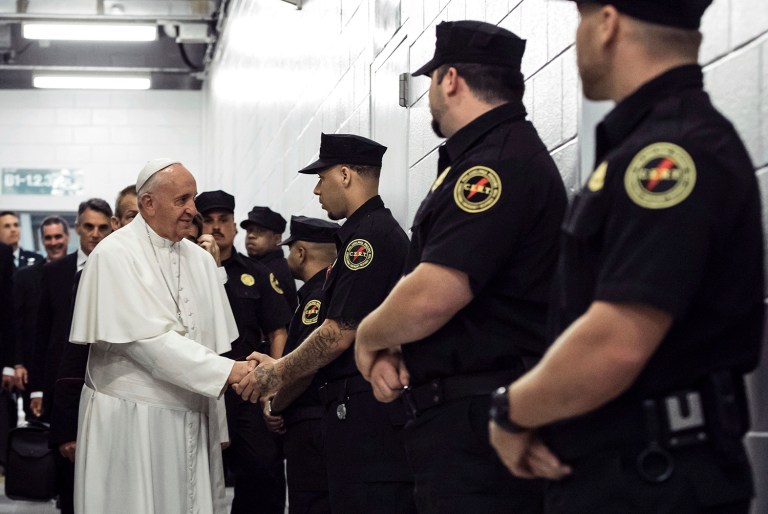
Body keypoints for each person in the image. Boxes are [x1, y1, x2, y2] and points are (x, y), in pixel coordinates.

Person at [488, 2, 764, 513]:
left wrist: (510, 413)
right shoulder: (650, 145)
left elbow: (617, 343)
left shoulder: (669, 153)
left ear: (608, 24)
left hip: (654, 479)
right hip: (629, 472)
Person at [354, 20, 567, 513]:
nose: (430, 94)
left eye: (431, 81)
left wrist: (370, 337)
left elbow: (434, 294)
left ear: (450, 80)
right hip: (467, 416)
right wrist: (404, 350)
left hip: (482, 424)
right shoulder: (485, 158)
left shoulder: (492, 165)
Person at [234, 133, 416, 513]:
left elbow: (337, 334)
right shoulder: (363, 235)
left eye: (322, 177)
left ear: (346, 175)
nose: (317, 190)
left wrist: (277, 373)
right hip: (357, 423)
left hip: (369, 423)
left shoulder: (368, 239)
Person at [69, 159, 252, 514]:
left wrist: (220, 425)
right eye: (182, 199)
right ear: (148, 203)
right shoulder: (113, 255)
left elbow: (212, 342)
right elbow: (146, 344)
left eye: (193, 199)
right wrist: (231, 372)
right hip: (131, 422)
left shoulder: (199, 260)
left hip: (191, 417)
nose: (192, 210)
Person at [196, 190, 292, 514]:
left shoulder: (257, 273)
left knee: (262, 468)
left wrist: (273, 381)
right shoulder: (183, 272)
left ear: (235, 226)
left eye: (224, 220)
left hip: (246, 388)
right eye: (208, 220)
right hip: (199, 385)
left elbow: (279, 328)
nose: (217, 227)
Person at [25, 200, 111, 514]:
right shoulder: (55, 272)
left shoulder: (121, 270)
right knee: (69, 476)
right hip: (65, 384)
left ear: (112, 227)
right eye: (88, 227)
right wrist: (36, 389)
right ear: (77, 228)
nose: (95, 234)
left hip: (107, 380)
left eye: (102, 227)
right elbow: (42, 334)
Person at [265, 215, 340, 514]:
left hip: (310, 424)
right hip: (324, 420)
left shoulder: (315, 298)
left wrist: (276, 406)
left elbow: (307, 366)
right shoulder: (332, 290)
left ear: (300, 252)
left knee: (310, 504)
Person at [11, 216, 70, 414]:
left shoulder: (83, 272)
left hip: (70, 366)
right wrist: (18, 363)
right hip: (34, 367)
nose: (54, 243)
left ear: (68, 237)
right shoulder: (25, 277)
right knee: (35, 434)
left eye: (58, 237)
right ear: (42, 241)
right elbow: (17, 323)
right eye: (48, 238)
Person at [241, 206, 298, 310]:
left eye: (260, 231)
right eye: (249, 230)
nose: (251, 235)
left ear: (277, 239)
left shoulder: (276, 270)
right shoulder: (260, 267)